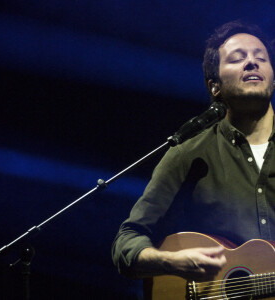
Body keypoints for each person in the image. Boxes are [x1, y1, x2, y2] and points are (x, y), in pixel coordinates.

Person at [112, 21, 275, 282]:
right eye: (238, 58)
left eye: (261, 58)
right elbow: (126, 242)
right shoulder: (188, 155)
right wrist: (170, 262)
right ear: (214, 86)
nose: (252, 63)